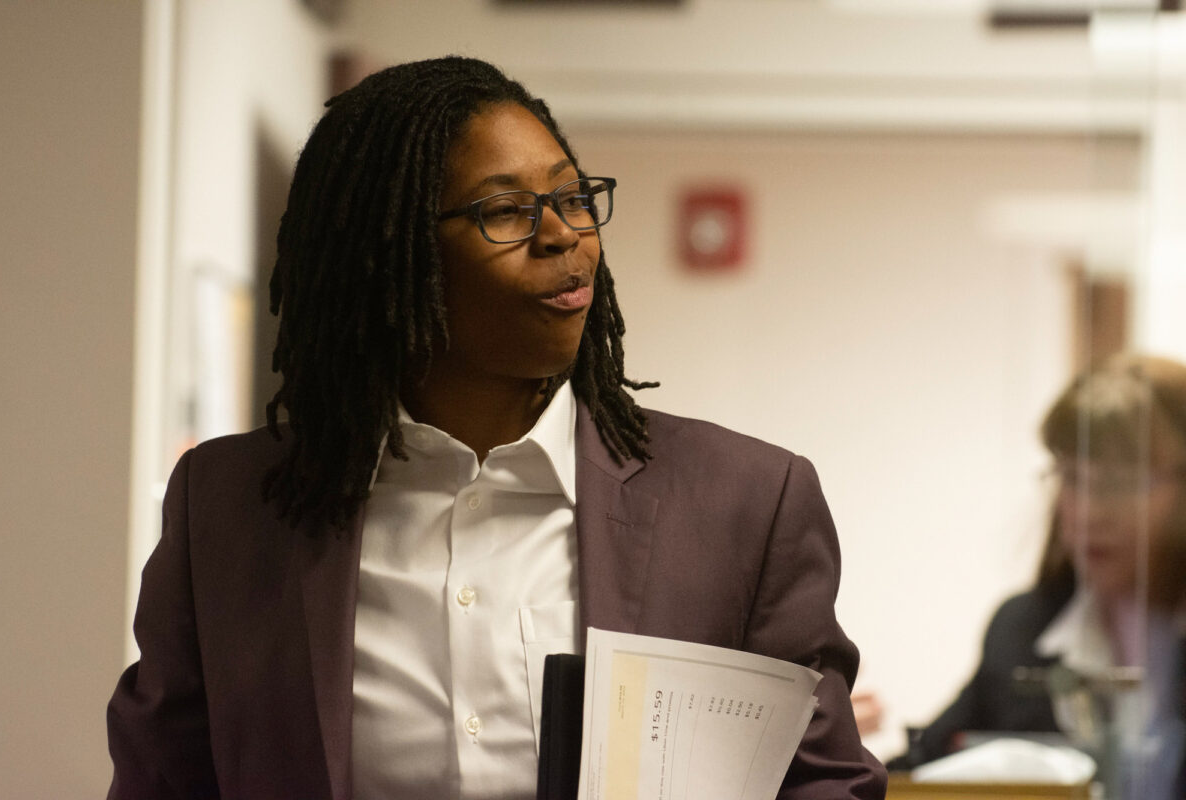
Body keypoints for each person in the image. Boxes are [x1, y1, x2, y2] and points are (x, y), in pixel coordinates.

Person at [106, 56, 885, 800]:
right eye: (508, 210)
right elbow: (163, 781)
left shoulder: (743, 504)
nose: (563, 236)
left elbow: (821, 781)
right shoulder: (233, 507)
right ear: (392, 256)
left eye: (574, 198)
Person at [892, 354, 1186, 798]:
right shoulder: (1022, 629)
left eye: (1121, 482)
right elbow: (918, 772)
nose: (1088, 512)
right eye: (1071, 478)